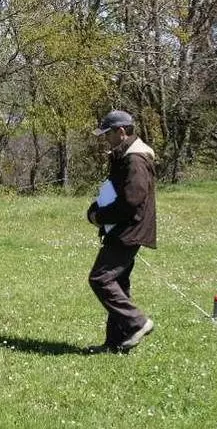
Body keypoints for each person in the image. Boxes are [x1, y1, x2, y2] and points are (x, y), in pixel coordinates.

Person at [86, 110, 157, 353]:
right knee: (118, 282)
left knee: (100, 279)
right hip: (125, 228)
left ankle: (138, 322)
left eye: (108, 134)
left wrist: (100, 216)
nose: (105, 139)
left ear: (122, 132)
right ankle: (115, 343)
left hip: (128, 230)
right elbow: (118, 192)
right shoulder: (125, 155)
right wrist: (97, 209)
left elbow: (131, 201)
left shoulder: (135, 159)